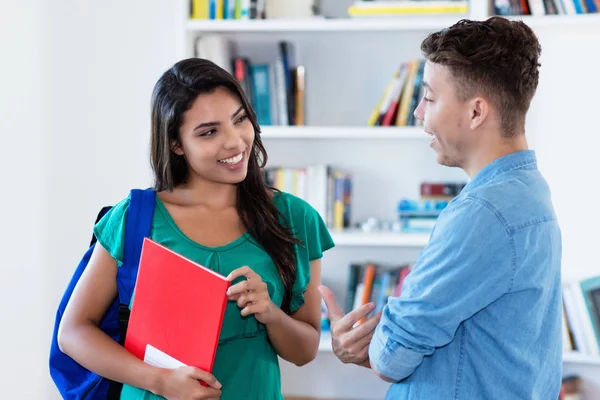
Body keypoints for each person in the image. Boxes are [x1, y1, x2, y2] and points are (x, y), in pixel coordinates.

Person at [58, 58, 334, 400]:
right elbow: (73, 332)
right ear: (176, 143)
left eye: (240, 120)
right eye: (209, 132)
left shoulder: (295, 217)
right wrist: (159, 381)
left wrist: (271, 313)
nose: (235, 142)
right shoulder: (134, 217)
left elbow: (304, 351)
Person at [319, 16, 562, 400]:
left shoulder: (482, 212)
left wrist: (360, 344)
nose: (418, 112)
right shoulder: (530, 190)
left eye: (430, 98)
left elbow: (391, 357)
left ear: (476, 112)